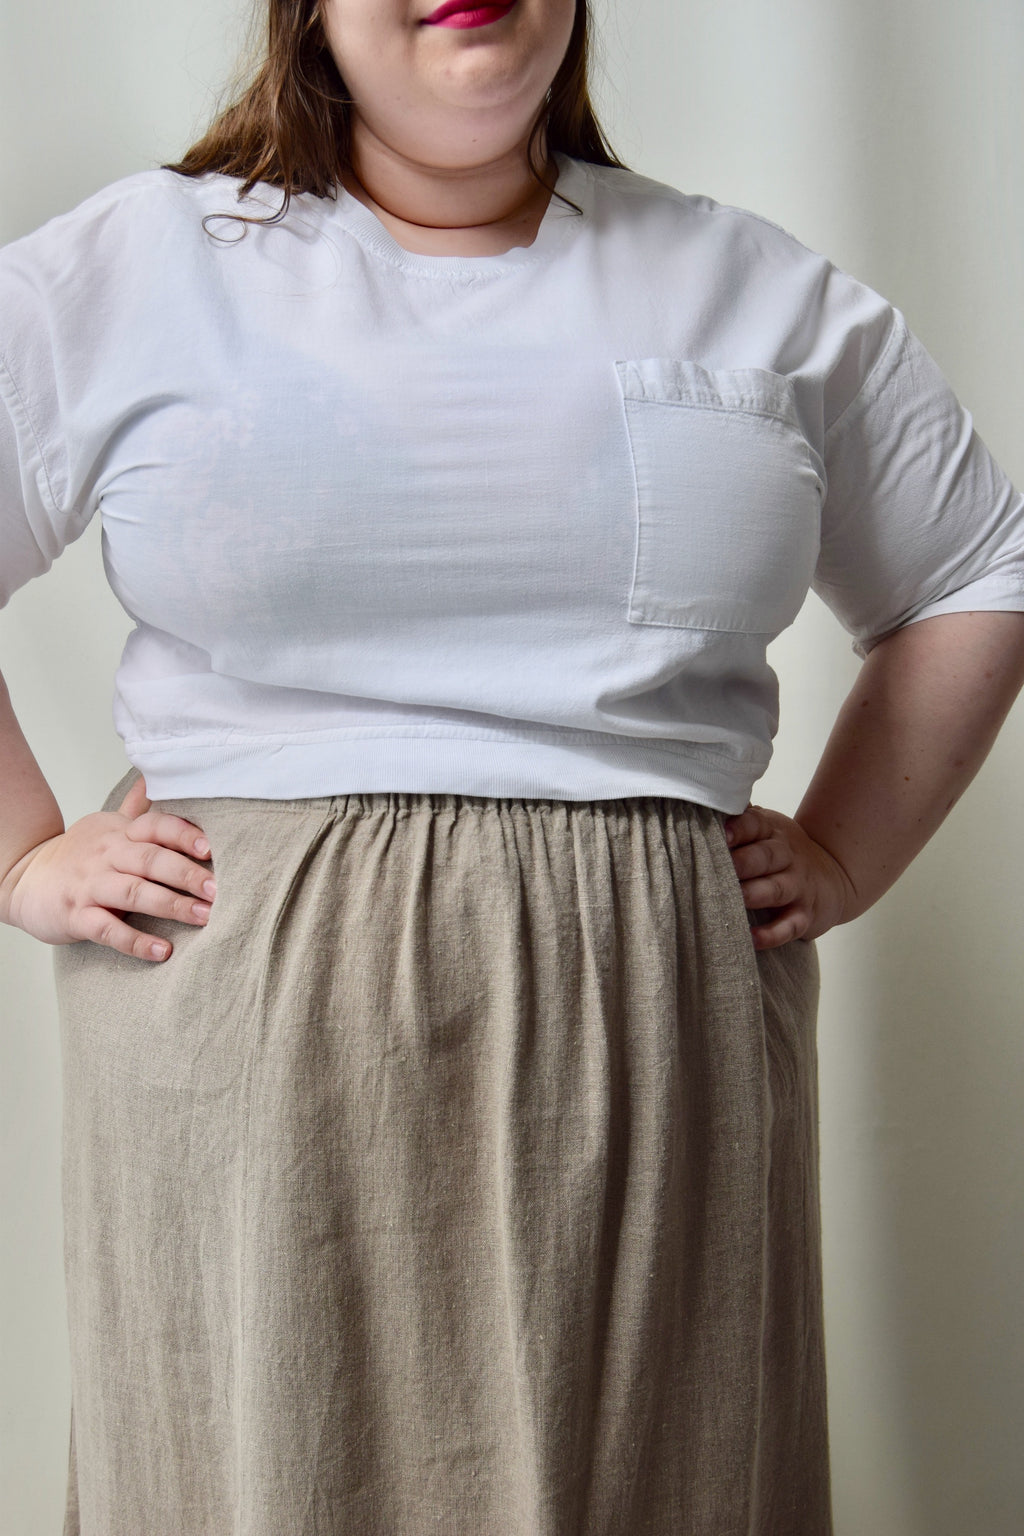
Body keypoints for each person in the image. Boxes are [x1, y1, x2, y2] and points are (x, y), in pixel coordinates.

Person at [1, 0, 1023, 1530]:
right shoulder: (141, 266)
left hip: (663, 1053)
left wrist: (845, 849)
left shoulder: (746, 286)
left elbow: (975, 570)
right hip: (249, 1061)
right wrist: (22, 851)